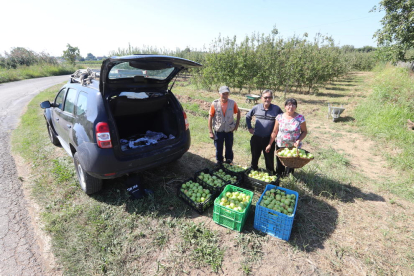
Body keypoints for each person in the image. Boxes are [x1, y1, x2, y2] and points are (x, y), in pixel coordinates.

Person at [265, 98, 307, 176]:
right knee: (280, 162)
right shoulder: (279, 117)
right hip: (280, 144)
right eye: (288, 105)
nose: (290, 107)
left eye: (293, 105)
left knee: (291, 164)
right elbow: (275, 132)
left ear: (296, 107)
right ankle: (279, 176)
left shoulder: (300, 118)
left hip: (293, 146)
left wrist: (299, 140)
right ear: (285, 107)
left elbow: (304, 131)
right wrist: (270, 144)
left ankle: (288, 177)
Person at [246, 89, 283, 174]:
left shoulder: (276, 109)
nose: (267, 99)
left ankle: (270, 172)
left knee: (269, 157)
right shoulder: (256, 108)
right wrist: (250, 128)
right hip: (257, 137)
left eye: (269, 97)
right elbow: (248, 116)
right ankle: (254, 168)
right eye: (265, 97)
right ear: (262, 98)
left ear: (272, 98)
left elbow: (283, 118)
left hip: (268, 139)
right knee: (255, 155)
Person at [208, 86, 241, 165]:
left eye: (227, 94)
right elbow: (210, 117)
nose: (225, 96)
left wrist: (236, 125)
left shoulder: (232, 103)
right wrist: (210, 132)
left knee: (229, 146)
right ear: (219, 94)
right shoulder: (215, 103)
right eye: (223, 94)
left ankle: (229, 160)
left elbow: (238, 112)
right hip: (218, 130)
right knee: (219, 147)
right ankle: (219, 161)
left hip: (229, 130)